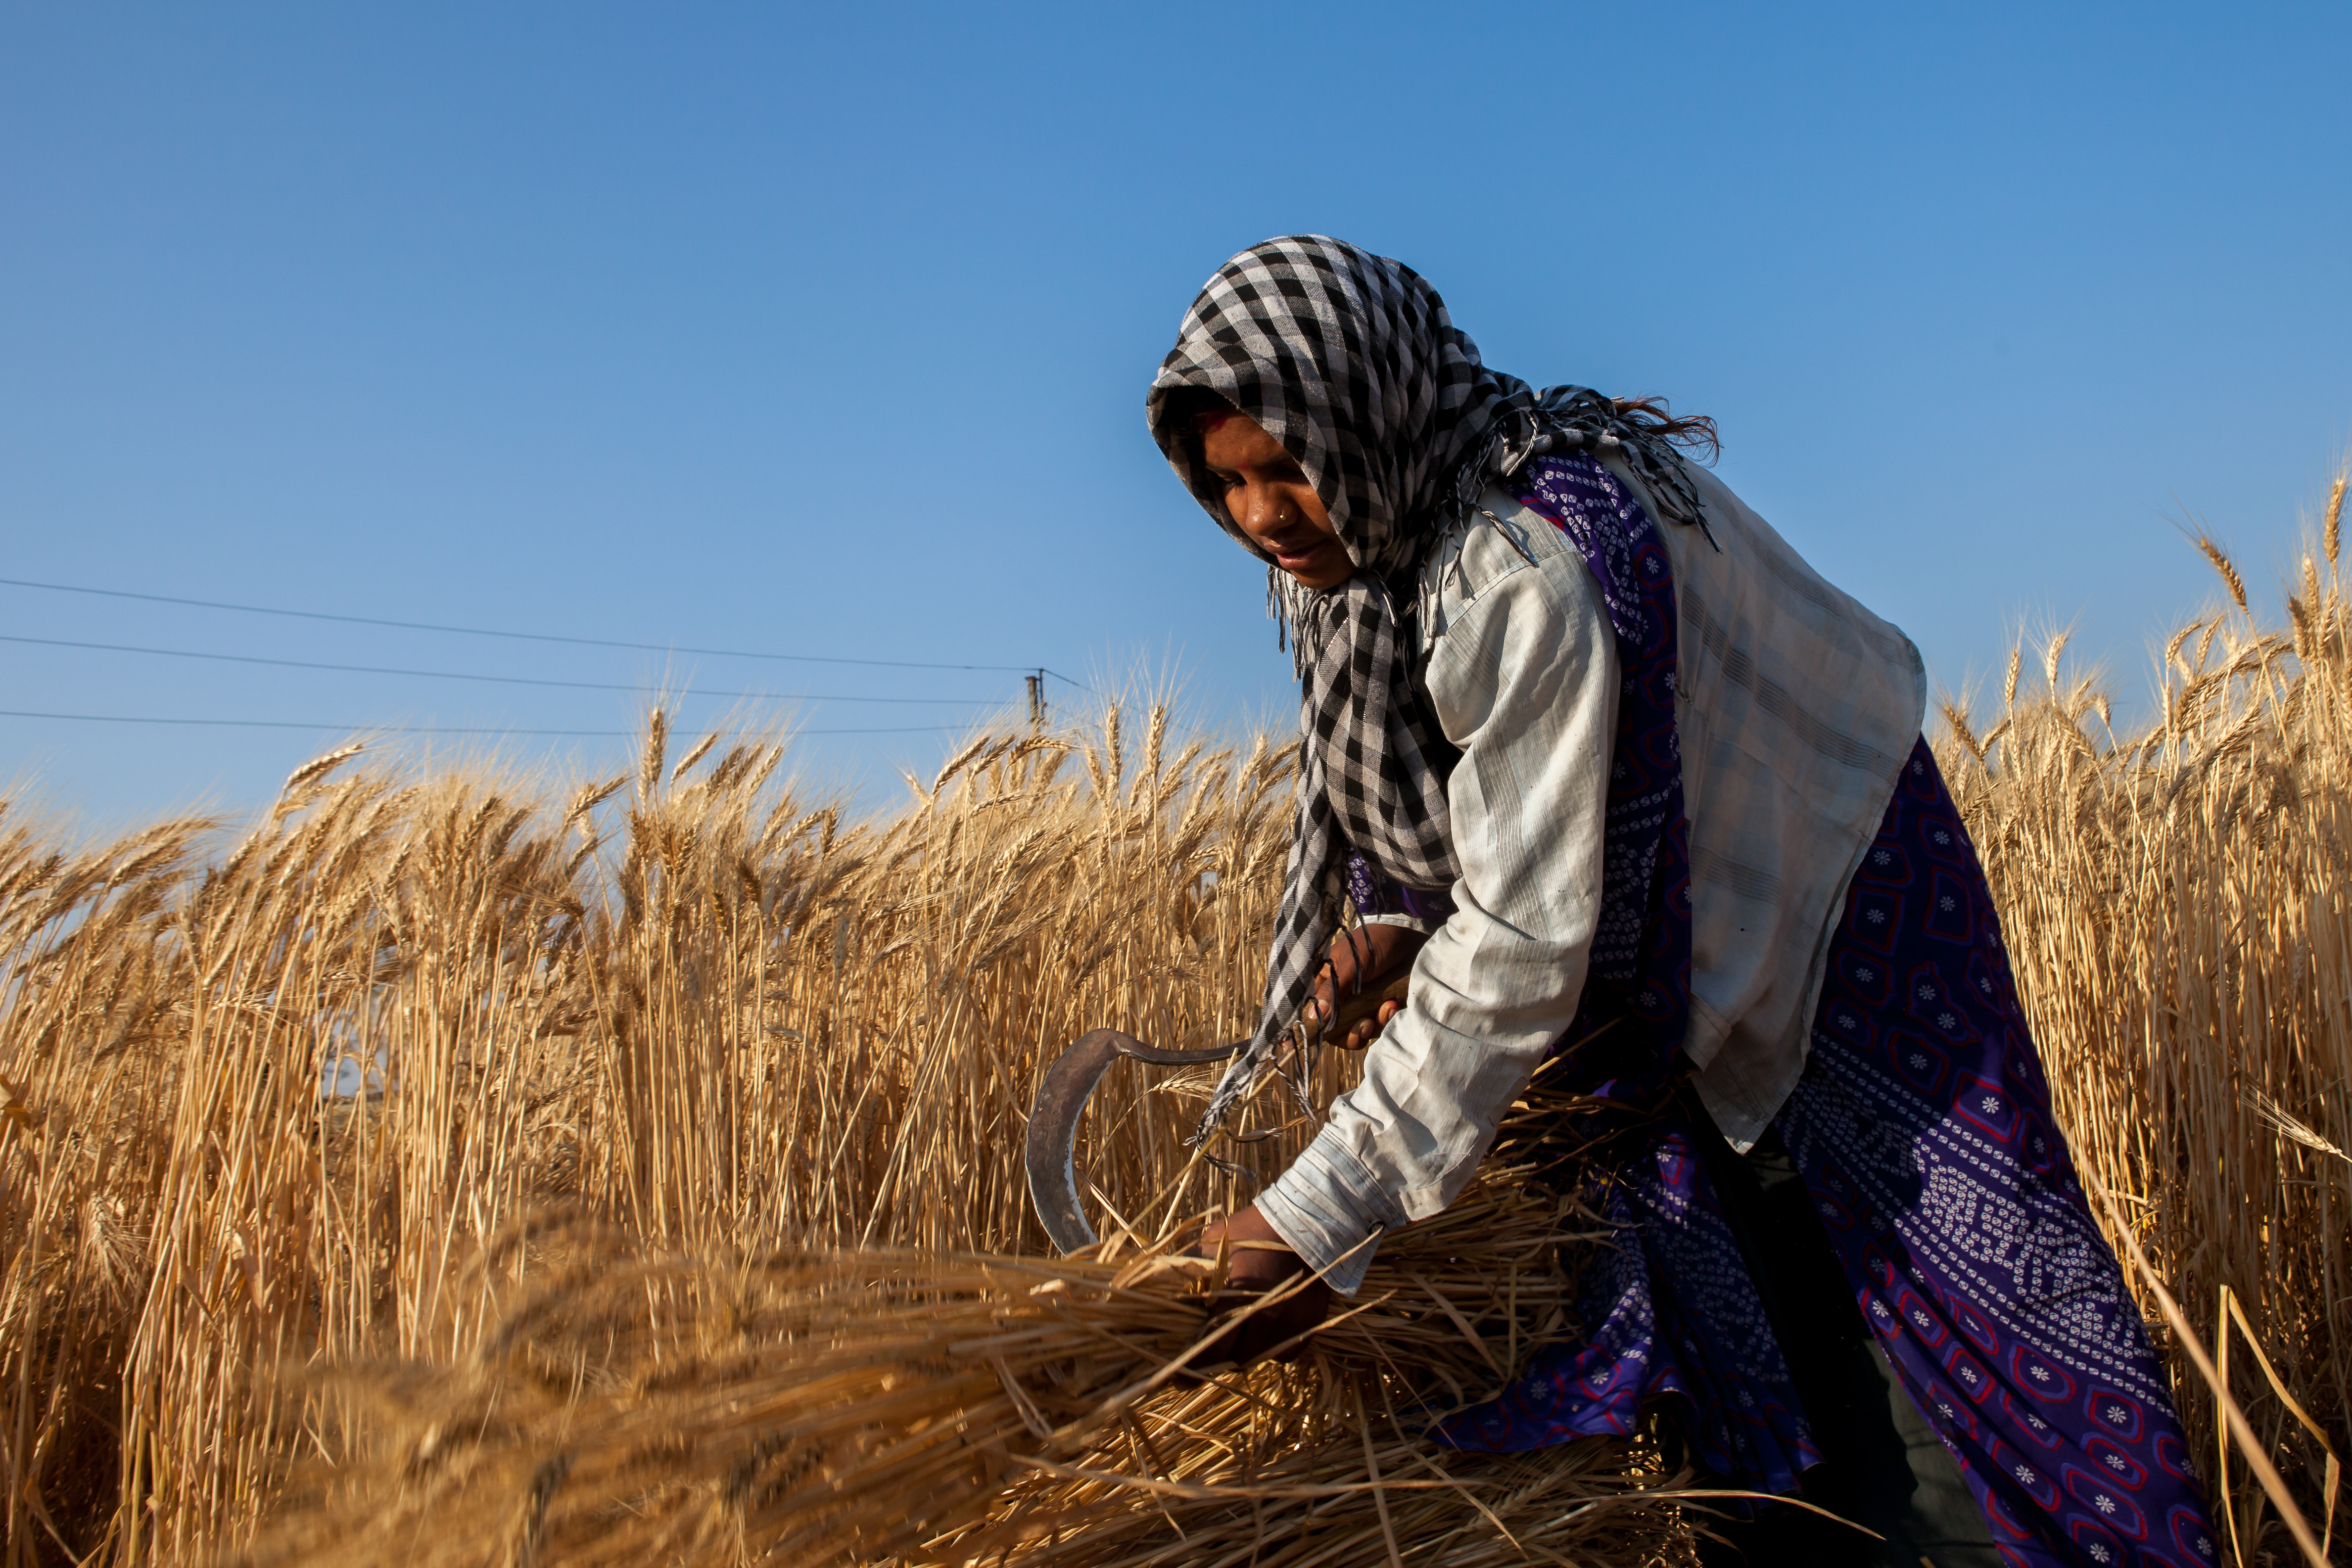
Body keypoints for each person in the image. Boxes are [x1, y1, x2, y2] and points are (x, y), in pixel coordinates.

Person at [1148, 235, 2221, 1568]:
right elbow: (1457, 819)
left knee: (1926, 1318)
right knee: (1754, 1333)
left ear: (1362, 412)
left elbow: (1524, 939)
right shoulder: (1378, 550)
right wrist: (1393, 914)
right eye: (1227, 479)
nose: (1259, 514)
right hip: (1670, 950)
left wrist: (1312, 1217)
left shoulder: (1526, 562)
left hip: (1835, 901)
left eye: (1283, 463)